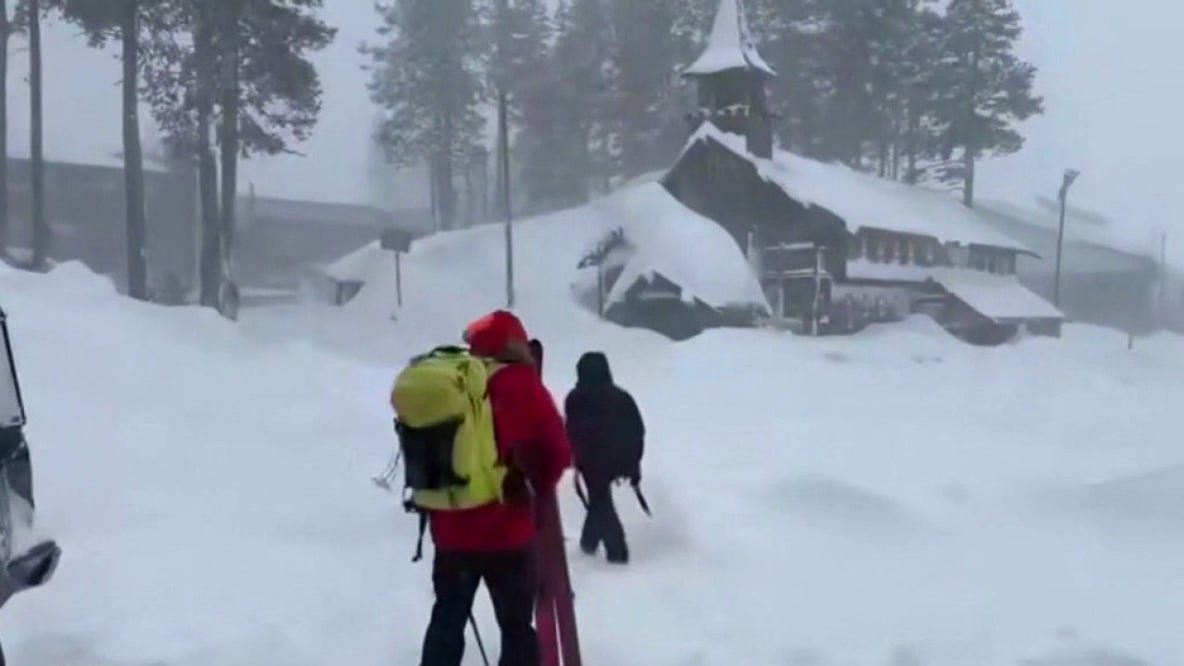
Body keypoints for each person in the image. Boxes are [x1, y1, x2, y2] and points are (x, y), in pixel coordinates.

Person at [418, 311, 571, 666]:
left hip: (452, 530)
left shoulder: (450, 385)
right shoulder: (522, 383)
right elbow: (558, 452)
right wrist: (536, 485)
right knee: (516, 626)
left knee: (447, 620)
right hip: (508, 532)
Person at [563, 352, 645, 565]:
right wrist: (634, 465)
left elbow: (571, 432)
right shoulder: (622, 397)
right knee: (600, 501)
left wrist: (574, 456)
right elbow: (637, 432)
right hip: (618, 460)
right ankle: (588, 543)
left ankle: (617, 553)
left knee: (601, 502)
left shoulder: (576, 398)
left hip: (592, 462)